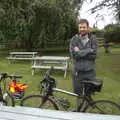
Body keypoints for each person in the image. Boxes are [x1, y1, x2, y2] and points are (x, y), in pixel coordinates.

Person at [69, 19, 98, 96]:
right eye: (80, 27)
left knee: (89, 94)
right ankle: (79, 108)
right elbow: (74, 55)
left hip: (90, 72)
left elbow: (94, 55)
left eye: (84, 27)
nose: (82, 29)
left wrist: (79, 52)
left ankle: (86, 108)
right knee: (78, 94)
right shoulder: (74, 39)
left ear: (88, 27)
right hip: (77, 73)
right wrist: (89, 50)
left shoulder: (93, 39)